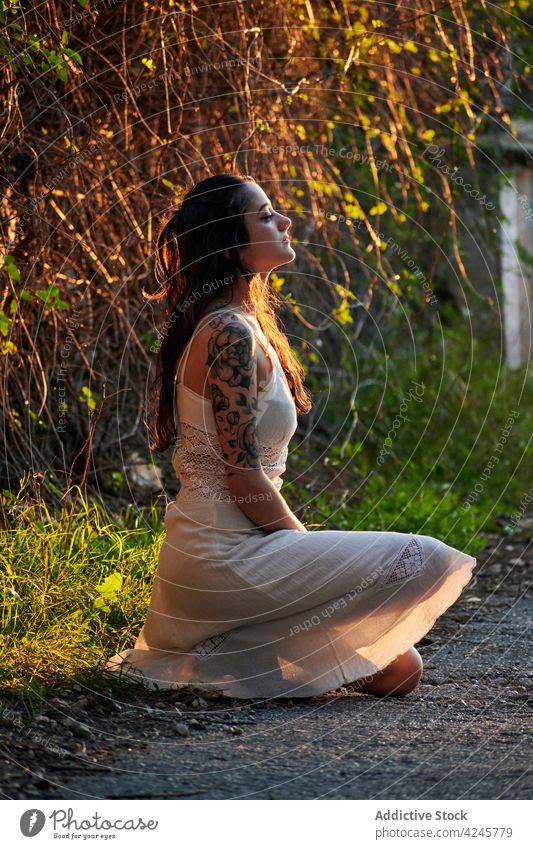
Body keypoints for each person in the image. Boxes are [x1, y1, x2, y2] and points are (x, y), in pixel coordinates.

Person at [105, 173, 476, 700]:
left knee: (401, 669)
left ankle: (223, 649)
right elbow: (242, 476)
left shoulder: (245, 325)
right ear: (232, 242)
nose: (284, 221)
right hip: (220, 557)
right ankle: (220, 639)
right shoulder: (226, 333)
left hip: (243, 554)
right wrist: (312, 557)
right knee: (431, 559)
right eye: (264, 215)